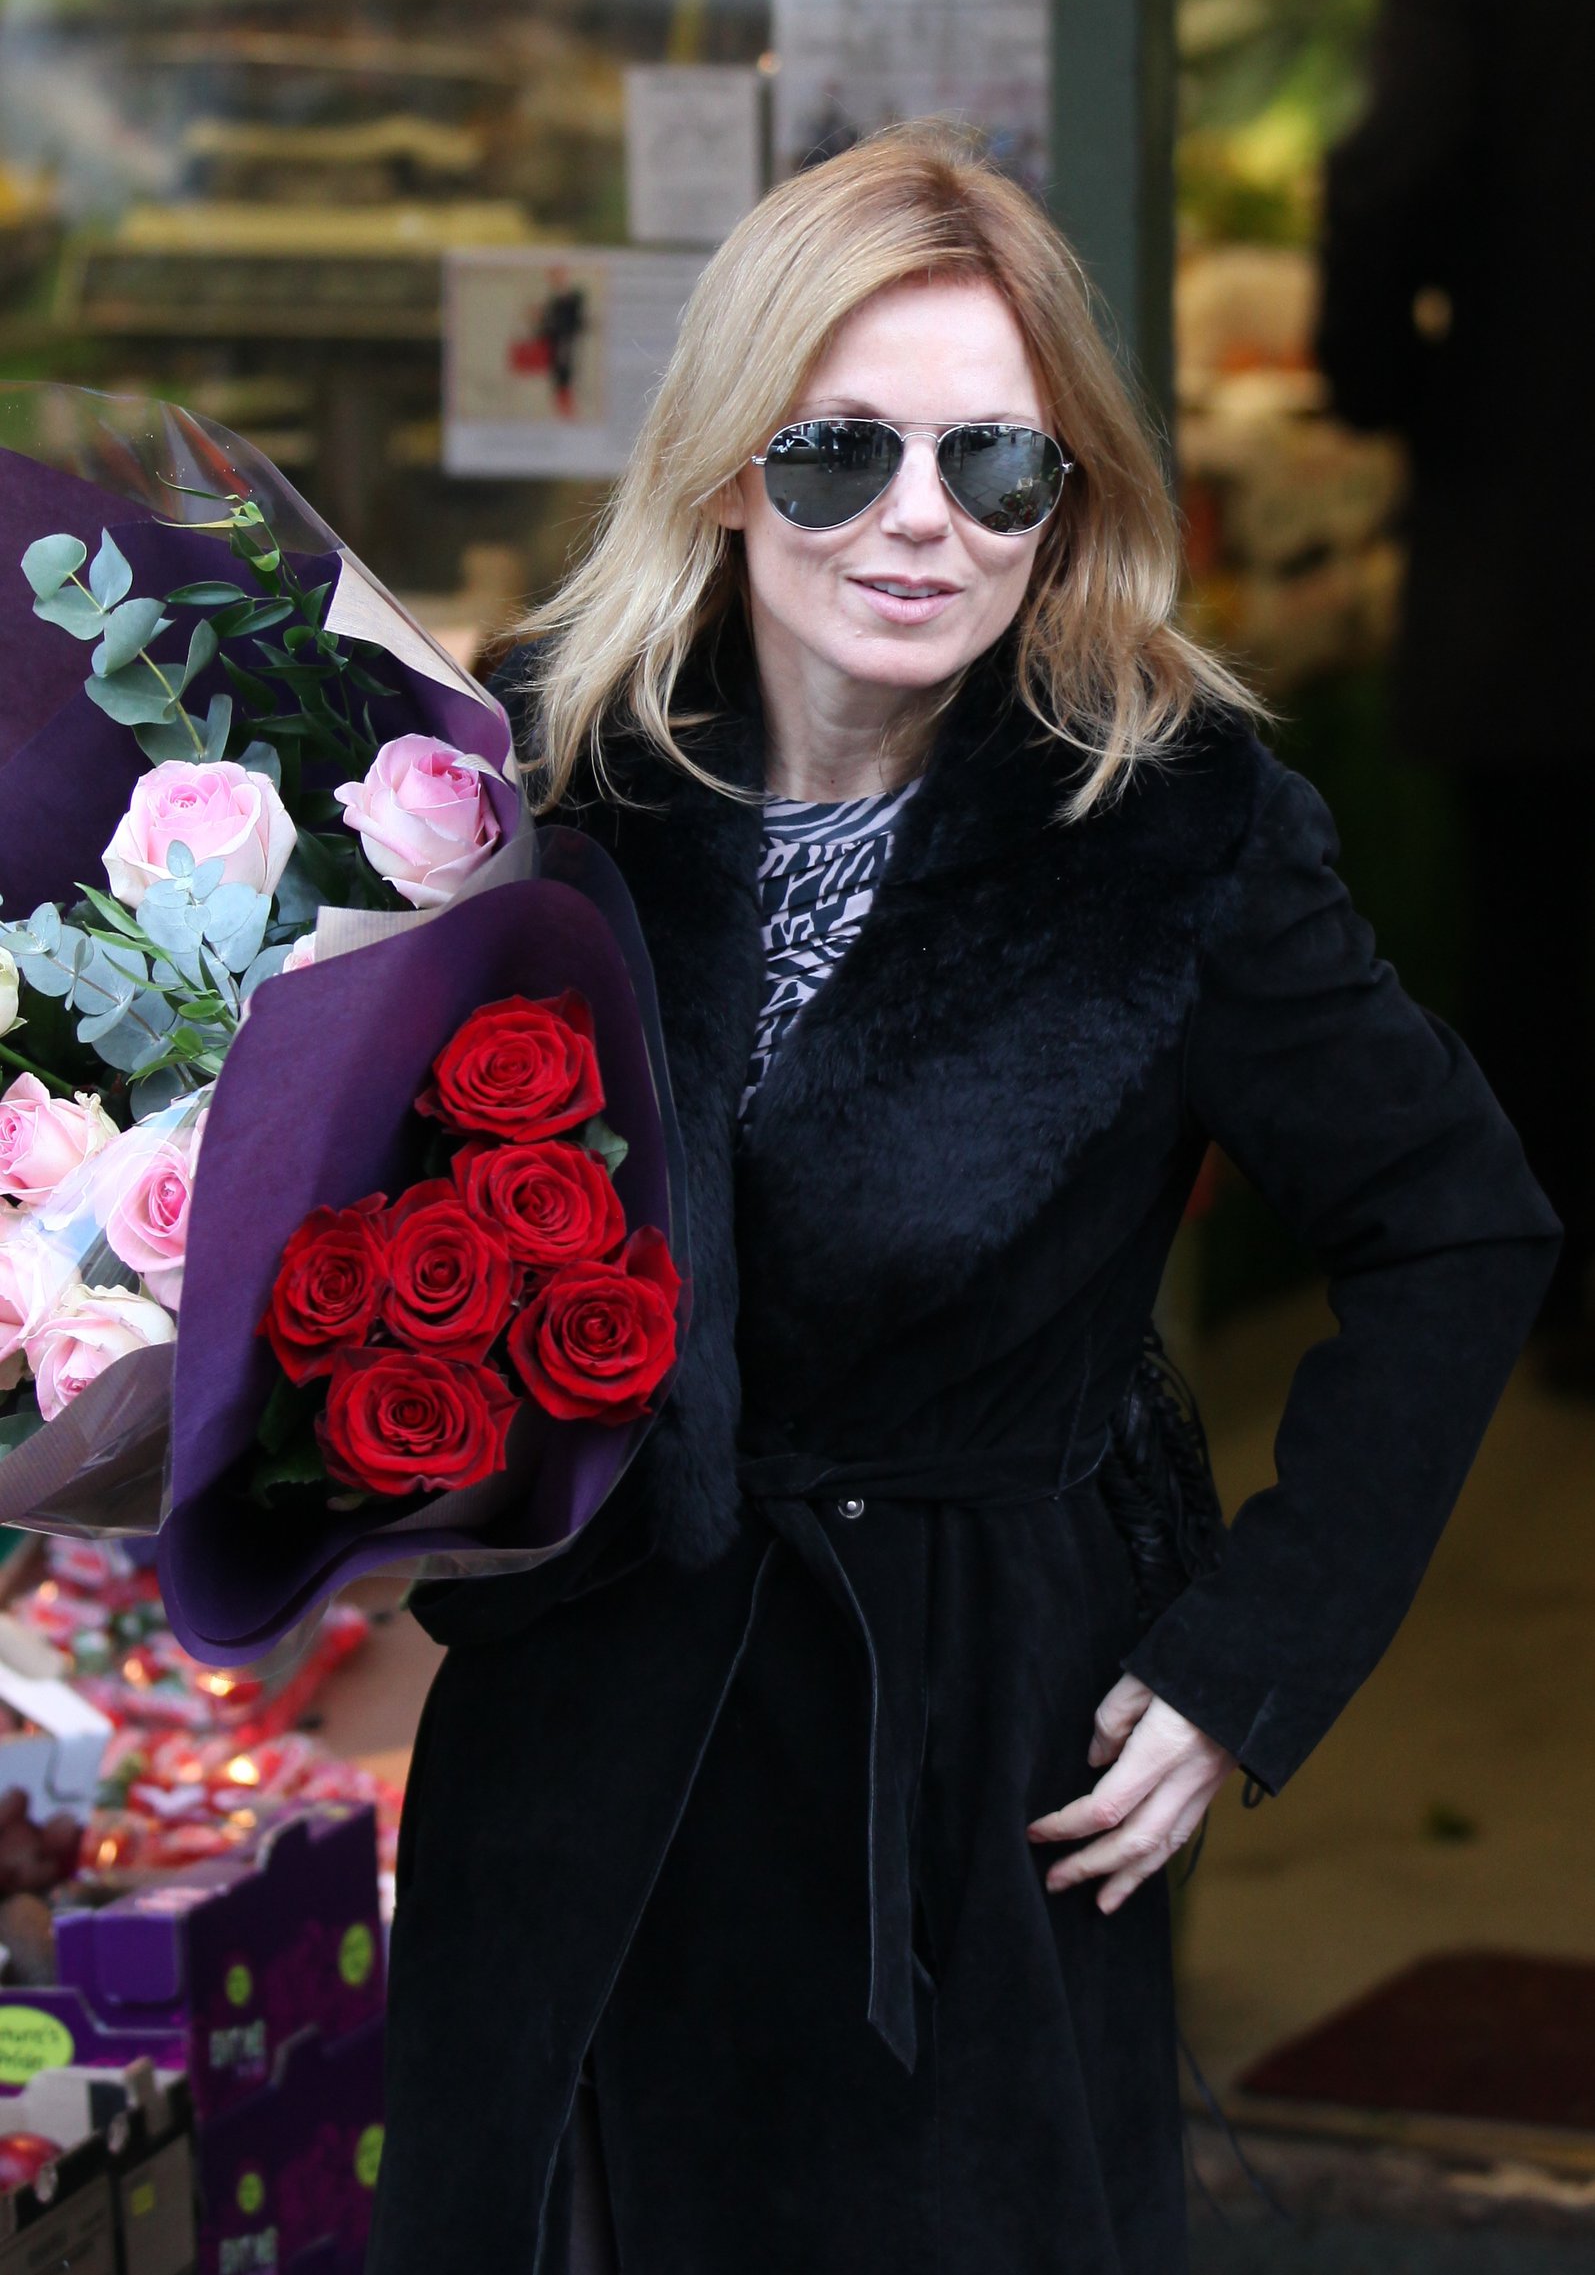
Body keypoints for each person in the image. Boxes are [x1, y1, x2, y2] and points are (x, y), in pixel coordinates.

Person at [370, 128, 1558, 2275]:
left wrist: (1243, 1665)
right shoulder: (536, 773)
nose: (918, 522)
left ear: (1065, 497)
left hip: (953, 1784)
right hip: (576, 1758)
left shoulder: (1173, 827)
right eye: (840, 453)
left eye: (995, 468)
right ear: (729, 467)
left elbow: (1460, 1224)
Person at [1318, 0, 1595, 1372]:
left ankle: (1548, 1299)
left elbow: (1393, 175)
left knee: (1541, 929)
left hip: (1542, 531)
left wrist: (1388, 387)